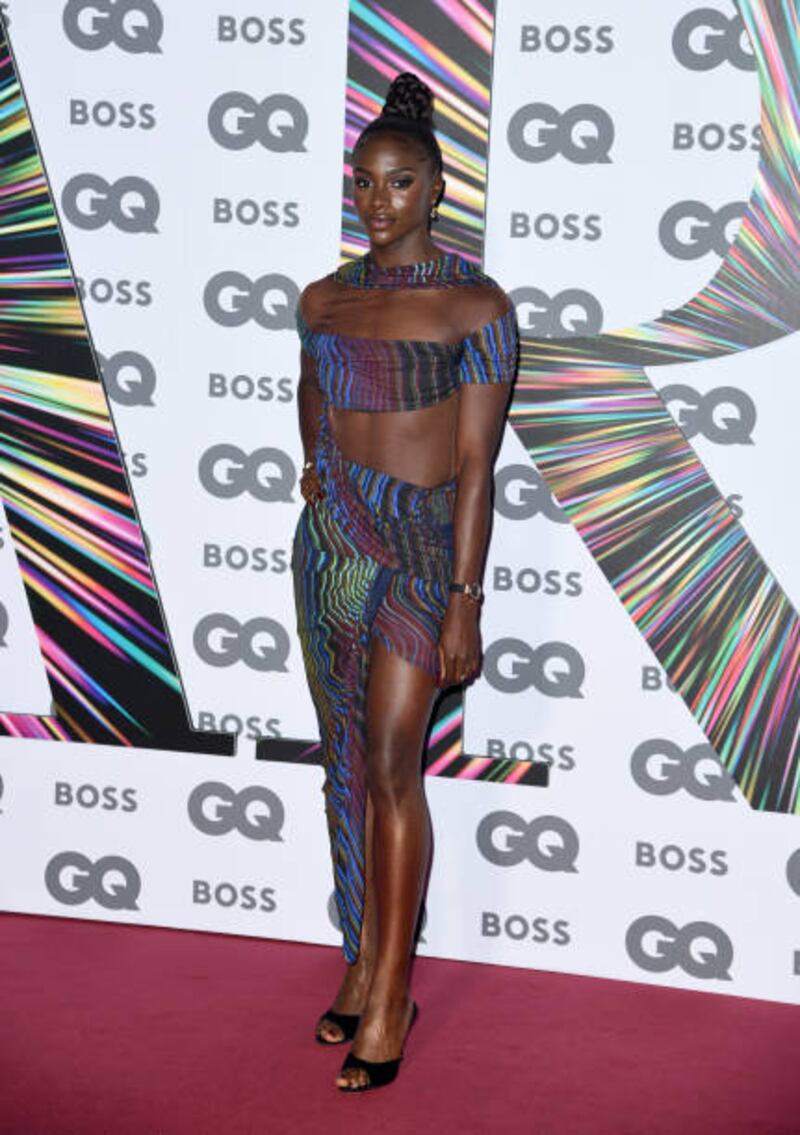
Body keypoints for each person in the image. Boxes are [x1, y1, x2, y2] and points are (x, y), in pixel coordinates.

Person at [291, 71, 518, 1092]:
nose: (378, 204)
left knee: (390, 761)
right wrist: (315, 472)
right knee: (342, 756)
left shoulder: (475, 305)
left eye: (398, 184)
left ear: (435, 190)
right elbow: (311, 392)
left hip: (423, 554)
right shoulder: (323, 298)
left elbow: (477, 467)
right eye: (364, 186)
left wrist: (464, 597)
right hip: (331, 547)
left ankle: (391, 988)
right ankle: (355, 953)